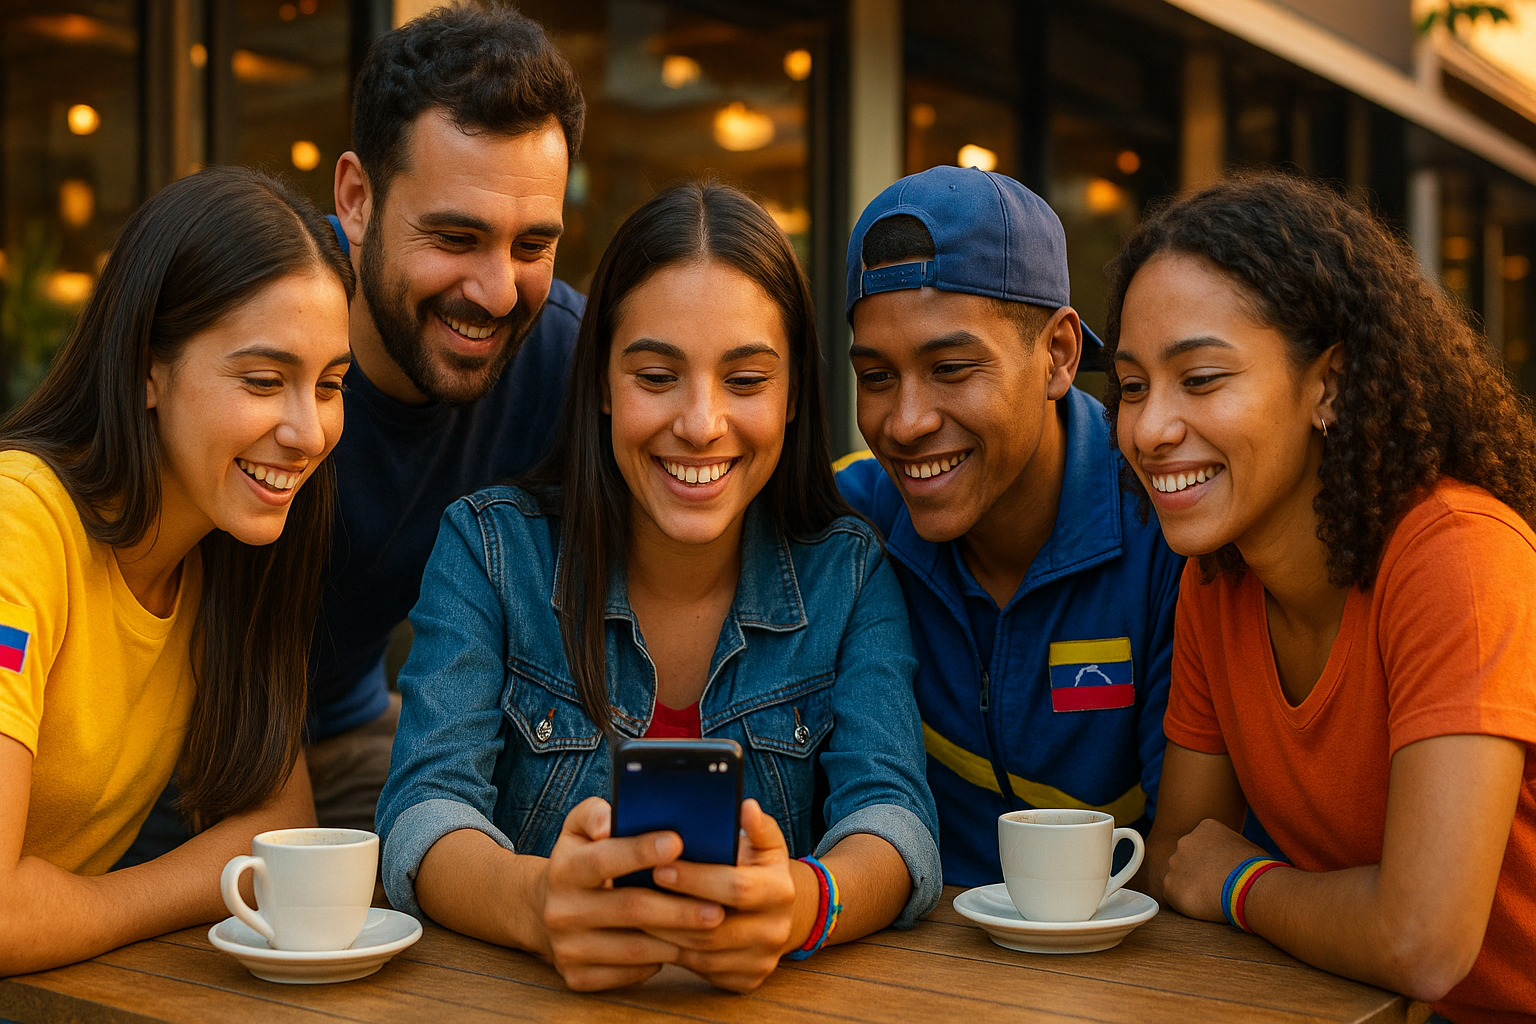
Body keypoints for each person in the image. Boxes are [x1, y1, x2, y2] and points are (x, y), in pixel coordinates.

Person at [376, 181, 941, 993]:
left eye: (746, 381)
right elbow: (422, 815)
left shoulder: (849, 573)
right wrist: (537, 904)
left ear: (790, 401)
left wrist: (802, 906)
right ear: (603, 384)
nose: (701, 422)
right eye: (656, 375)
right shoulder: (491, 550)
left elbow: (893, 820)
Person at [122, 2, 588, 860]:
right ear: (357, 197)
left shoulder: (561, 356)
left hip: (338, 735)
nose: (494, 290)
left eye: (532, 244)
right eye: (456, 236)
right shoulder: (245, 317)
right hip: (149, 754)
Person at [1109, 174, 1536, 1022]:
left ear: (1330, 386)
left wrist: (1243, 883)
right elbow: (1177, 856)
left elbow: (1422, 939)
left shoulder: (1456, 554)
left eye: (1199, 379)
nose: (1149, 428)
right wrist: (1230, 878)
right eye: (1129, 387)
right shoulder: (1216, 580)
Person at [0, 166, 353, 973]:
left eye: (330, 386)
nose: (307, 432)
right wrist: (179, 888)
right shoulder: (21, 523)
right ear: (146, 370)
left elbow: (281, 823)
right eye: (264, 381)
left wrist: (62, 905)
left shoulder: (224, 552)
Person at [835, 165, 1182, 887]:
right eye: (875, 377)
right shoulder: (849, 524)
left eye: (953, 368)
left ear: (1057, 355)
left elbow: (1186, 849)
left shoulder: (1164, 526)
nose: (905, 423)